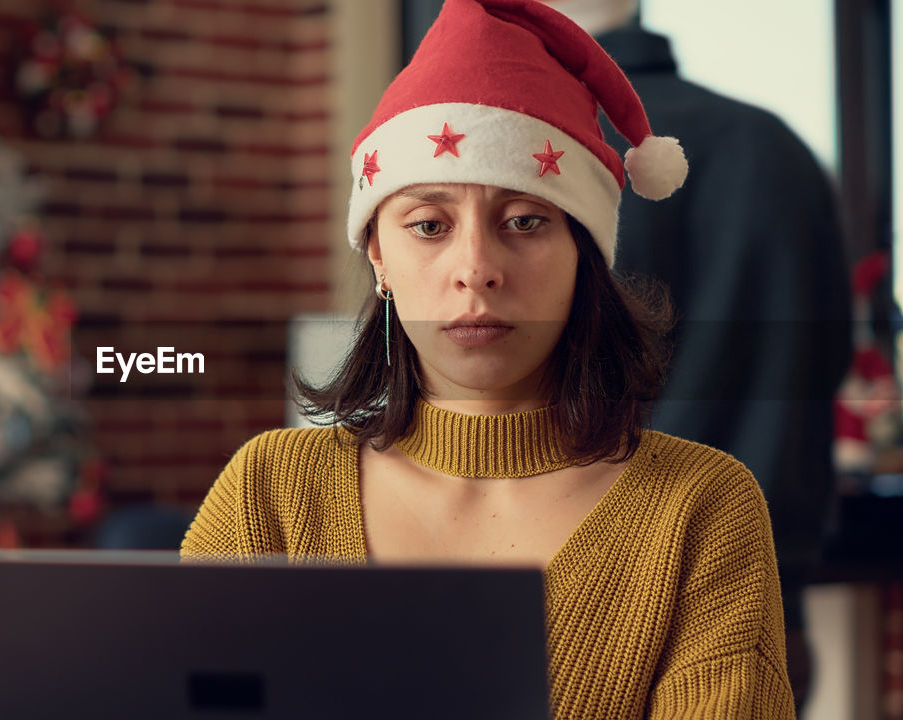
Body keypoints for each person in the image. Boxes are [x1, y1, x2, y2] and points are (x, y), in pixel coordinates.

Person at [182, 0, 796, 717]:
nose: (476, 268)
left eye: (525, 221)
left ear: (585, 254)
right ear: (380, 253)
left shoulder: (700, 509)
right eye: (429, 225)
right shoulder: (271, 496)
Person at [538, 0, 852, 708]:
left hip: (600, 625)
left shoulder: (562, 156)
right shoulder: (779, 145)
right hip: (773, 605)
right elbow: (831, 351)